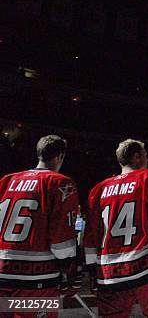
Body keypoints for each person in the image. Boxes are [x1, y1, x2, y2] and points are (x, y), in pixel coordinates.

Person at [84, 139, 148, 318]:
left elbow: (90, 237)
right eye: (146, 155)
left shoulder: (99, 189)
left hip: (110, 274)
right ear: (137, 157)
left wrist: (92, 271)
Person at [0, 135, 81, 318]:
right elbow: (62, 240)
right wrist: (70, 269)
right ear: (60, 156)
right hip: (36, 279)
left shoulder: (7, 180)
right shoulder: (61, 183)